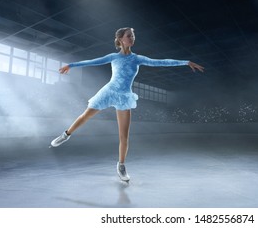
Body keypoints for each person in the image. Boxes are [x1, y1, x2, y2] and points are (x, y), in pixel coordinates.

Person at [50, 27, 204, 182]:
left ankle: (121, 166)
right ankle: (66, 134)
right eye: (129, 36)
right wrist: (71, 65)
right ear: (121, 39)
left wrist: (186, 62)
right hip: (108, 91)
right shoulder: (113, 57)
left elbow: (160, 62)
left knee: (124, 135)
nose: (132, 38)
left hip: (124, 96)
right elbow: (92, 62)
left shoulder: (137, 58)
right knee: (86, 115)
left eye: (133, 35)